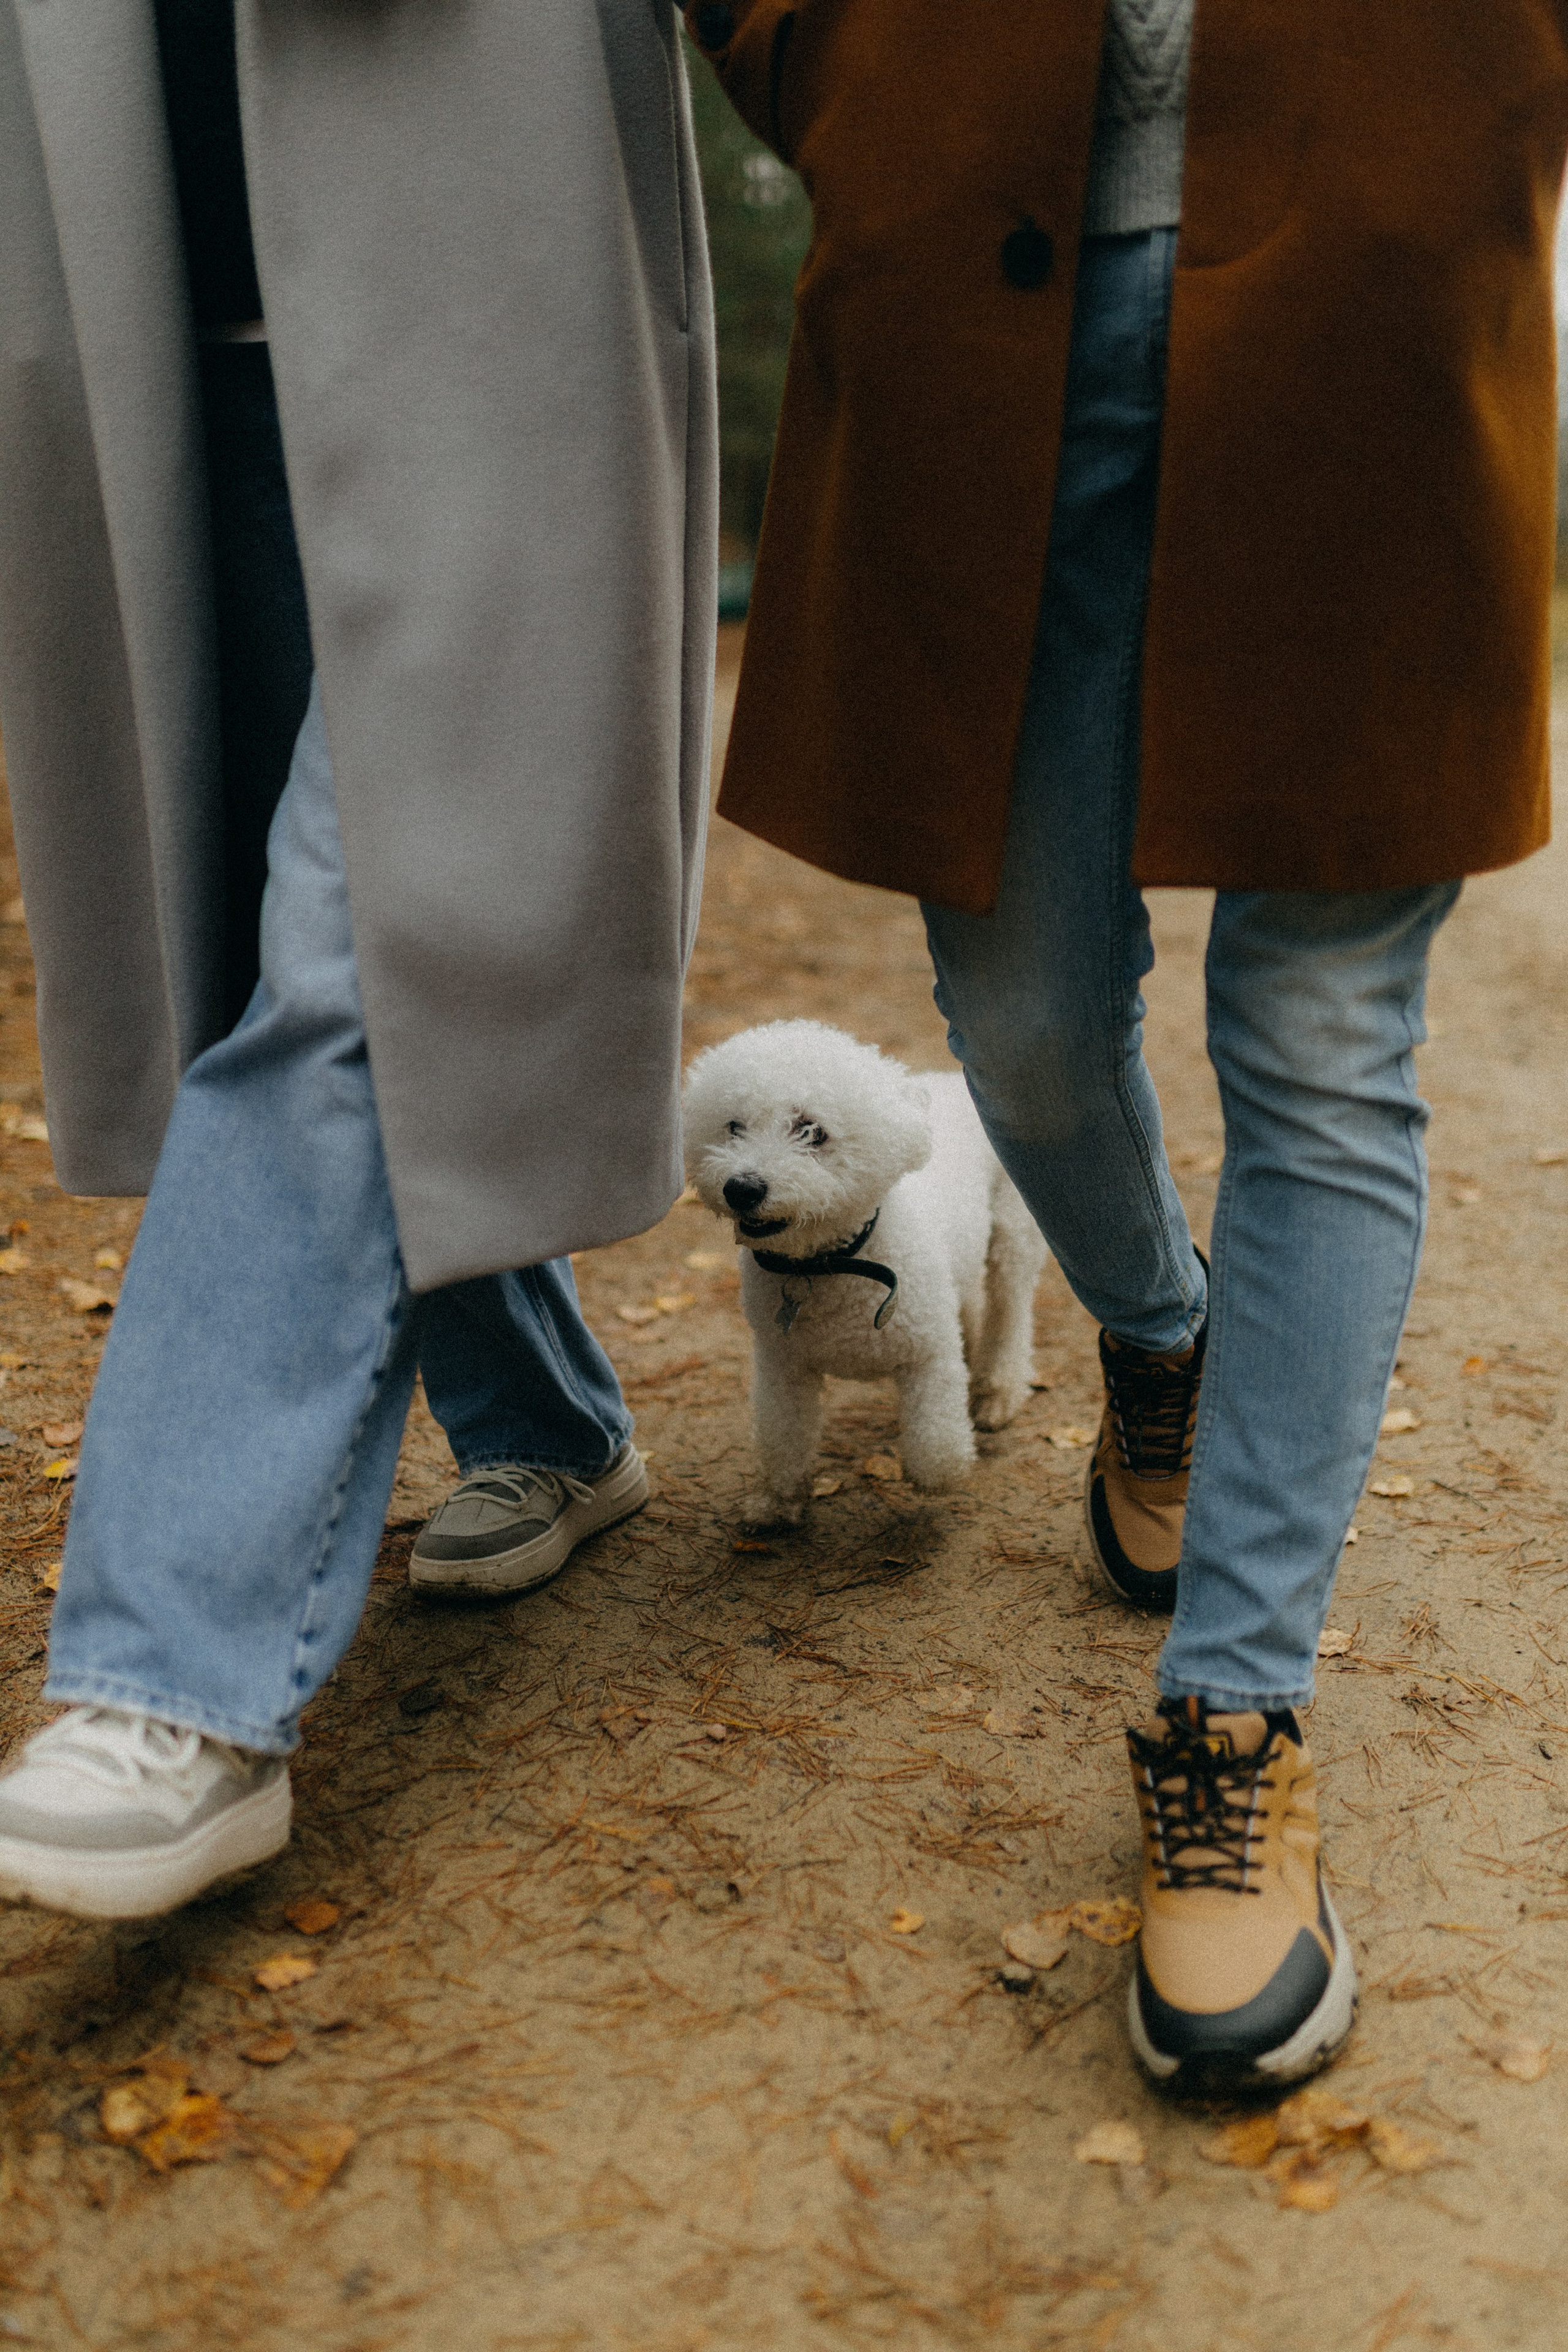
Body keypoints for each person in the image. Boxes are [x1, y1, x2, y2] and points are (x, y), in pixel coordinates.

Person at [684, 0, 1567, 2087]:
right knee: (1027, 1019)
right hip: (981, 293)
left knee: (1330, 1034)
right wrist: (837, 63)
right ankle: (1157, 1344)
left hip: (1379, 291)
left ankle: (1233, 1714)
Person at [0, 0, 715, 1919]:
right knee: (252, 941)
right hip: (151, 301)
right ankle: (548, 1416)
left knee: (371, 941)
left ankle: (177, 1674)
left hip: (481, 285)